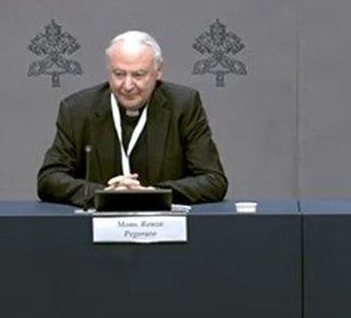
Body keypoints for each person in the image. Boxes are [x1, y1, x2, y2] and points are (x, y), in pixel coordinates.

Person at [38, 30, 228, 207]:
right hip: (96, 230)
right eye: (119, 74)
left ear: (158, 71)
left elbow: (213, 180)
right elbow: (49, 179)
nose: (127, 85)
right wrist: (102, 193)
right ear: (108, 71)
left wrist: (154, 194)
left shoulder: (183, 105)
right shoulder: (77, 109)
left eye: (138, 75)